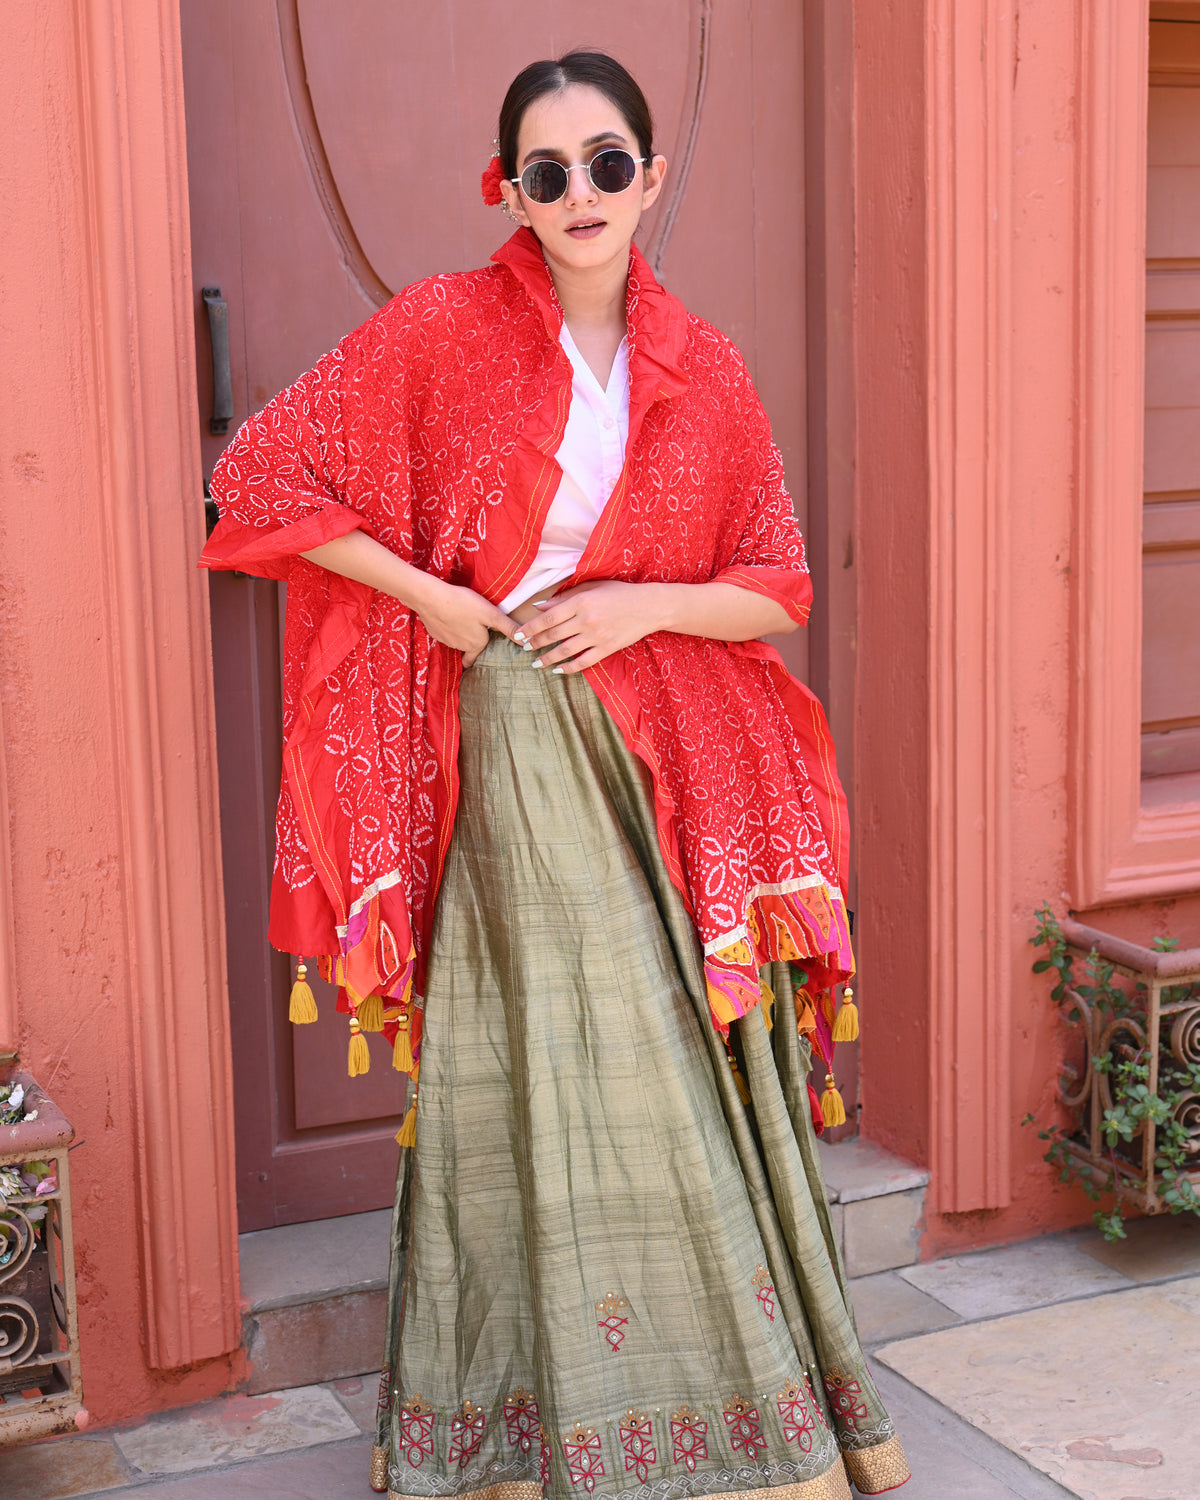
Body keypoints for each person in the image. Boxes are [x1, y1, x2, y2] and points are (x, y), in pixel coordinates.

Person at [201, 50, 909, 1500]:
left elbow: (774, 587)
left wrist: (644, 603)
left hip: (670, 760)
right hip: (518, 735)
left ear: (649, 175)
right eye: (546, 170)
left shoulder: (705, 370)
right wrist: (438, 601)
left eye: (604, 163)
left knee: (677, 1065)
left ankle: (740, 1424)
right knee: (565, 1063)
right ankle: (529, 1439)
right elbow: (260, 476)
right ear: (507, 190)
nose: (578, 193)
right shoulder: (440, 333)